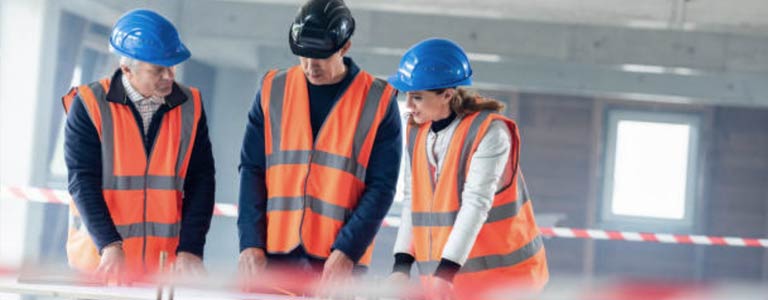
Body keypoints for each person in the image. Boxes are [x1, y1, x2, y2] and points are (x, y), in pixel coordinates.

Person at [237, 0, 402, 284]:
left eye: (321, 57)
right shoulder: (272, 89)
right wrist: (250, 241)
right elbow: (252, 169)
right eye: (303, 56)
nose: (310, 66)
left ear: (345, 47)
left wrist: (348, 250)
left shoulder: (378, 100)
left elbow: (382, 187)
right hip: (273, 256)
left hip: (339, 262)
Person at [386, 38, 549, 298]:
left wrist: (445, 273)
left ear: (447, 95)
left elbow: (475, 204)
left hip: (506, 283)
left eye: (417, 97)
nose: (408, 105)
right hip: (451, 283)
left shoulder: (489, 133)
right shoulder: (418, 130)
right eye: (407, 96)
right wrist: (401, 265)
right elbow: (412, 201)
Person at [62, 9, 215, 278]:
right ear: (126, 70)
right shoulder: (89, 105)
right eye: (158, 69)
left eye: (171, 66)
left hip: (162, 270)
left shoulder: (191, 107)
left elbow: (201, 180)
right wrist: (108, 244)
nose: (169, 76)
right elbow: (82, 181)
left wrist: (192, 247)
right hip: (100, 264)